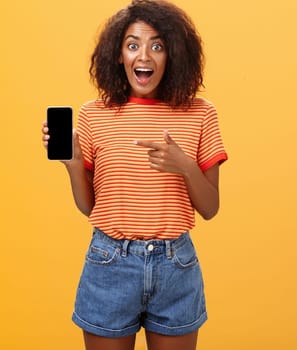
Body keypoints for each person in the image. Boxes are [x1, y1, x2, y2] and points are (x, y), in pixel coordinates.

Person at [41, 1, 227, 349]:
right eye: (133, 44)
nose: (144, 56)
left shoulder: (200, 114)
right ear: (118, 55)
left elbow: (211, 207)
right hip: (109, 262)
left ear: (173, 55)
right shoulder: (93, 115)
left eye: (157, 45)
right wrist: (73, 164)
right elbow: (89, 207)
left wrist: (184, 165)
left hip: (176, 267)